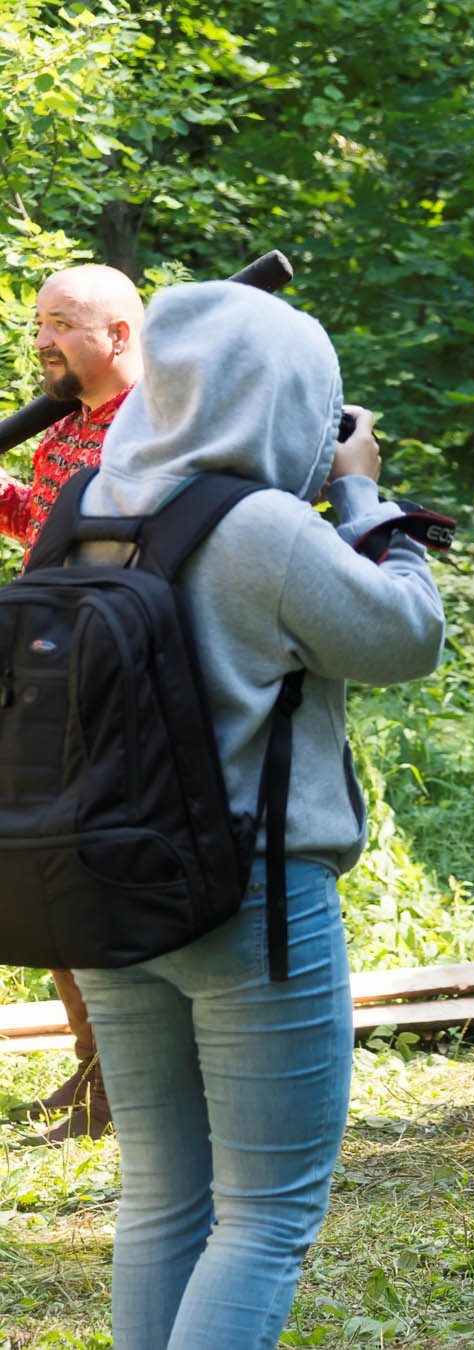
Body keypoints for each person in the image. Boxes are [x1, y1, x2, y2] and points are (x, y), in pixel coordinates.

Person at [71, 281, 445, 1348]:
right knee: (267, 1218)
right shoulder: (262, 528)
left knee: (161, 1200)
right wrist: (373, 502)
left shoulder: (84, 508)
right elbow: (405, 639)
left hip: (101, 888)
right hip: (250, 899)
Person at [12, 263, 145, 1144]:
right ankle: (92, 1061)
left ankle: (124, 1081)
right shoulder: (60, 427)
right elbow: (49, 530)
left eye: (62, 322)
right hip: (38, 670)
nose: (43, 339)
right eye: (39, 323)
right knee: (42, 872)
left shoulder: (152, 430)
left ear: (119, 336)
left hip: (110, 678)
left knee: (91, 877)